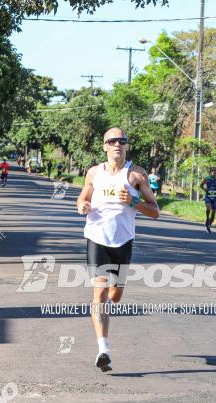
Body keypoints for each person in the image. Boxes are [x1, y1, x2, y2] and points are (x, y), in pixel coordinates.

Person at [76, 127, 160, 372]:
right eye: (112, 141)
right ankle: (103, 349)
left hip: (123, 242)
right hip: (97, 238)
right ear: (104, 146)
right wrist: (83, 205)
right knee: (99, 293)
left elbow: (155, 211)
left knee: (115, 296)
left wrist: (133, 201)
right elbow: (82, 198)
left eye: (122, 141)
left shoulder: (136, 175)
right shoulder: (94, 173)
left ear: (126, 146)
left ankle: (105, 311)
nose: (117, 144)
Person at [200, 166, 216, 234]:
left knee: (213, 214)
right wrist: (205, 190)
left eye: (215, 171)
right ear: (210, 172)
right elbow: (201, 185)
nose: (214, 172)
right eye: (212, 171)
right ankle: (207, 218)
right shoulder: (207, 178)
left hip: (214, 198)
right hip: (208, 197)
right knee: (208, 208)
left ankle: (208, 226)